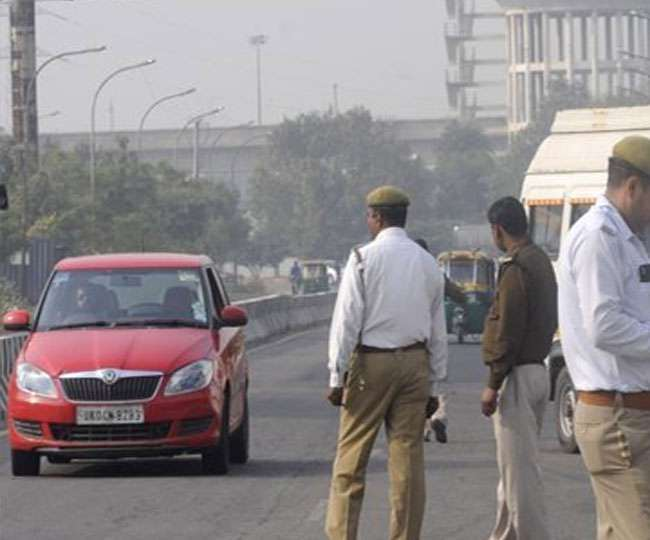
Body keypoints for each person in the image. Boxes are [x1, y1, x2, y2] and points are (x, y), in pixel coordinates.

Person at [325, 186, 448, 540]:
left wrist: (337, 376)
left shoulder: (363, 258)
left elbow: (347, 320)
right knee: (407, 459)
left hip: (371, 364)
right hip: (415, 363)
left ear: (377, 217)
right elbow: (437, 327)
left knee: (351, 457)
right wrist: (435, 385)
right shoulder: (427, 263)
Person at [558, 135, 650, 540]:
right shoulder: (599, 236)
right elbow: (605, 325)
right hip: (617, 418)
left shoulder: (629, 239)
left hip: (628, 415)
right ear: (632, 187)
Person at [482, 196, 557, 540]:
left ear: (498, 230)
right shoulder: (540, 260)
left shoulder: (515, 268)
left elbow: (508, 330)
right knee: (511, 471)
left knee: (519, 477)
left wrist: (492, 383)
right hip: (538, 370)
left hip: (516, 376)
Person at [414, 237, 466, 444]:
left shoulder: (403, 275)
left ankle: (424, 427)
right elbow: (458, 295)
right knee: (438, 381)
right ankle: (439, 416)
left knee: (417, 388)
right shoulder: (434, 272)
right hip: (435, 335)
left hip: (411, 341)